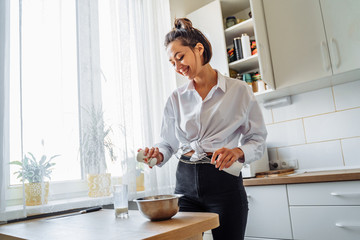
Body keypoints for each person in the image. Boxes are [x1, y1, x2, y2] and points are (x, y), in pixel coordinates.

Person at [138, 18, 267, 240]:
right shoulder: (175, 98)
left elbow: (257, 139)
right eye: (172, 63)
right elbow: (168, 143)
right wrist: (158, 154)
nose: (178, 67)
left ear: (198, 49)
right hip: (185, 185)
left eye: (180, 57)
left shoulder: (239, 91)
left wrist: (237, 152)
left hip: (224, 184)